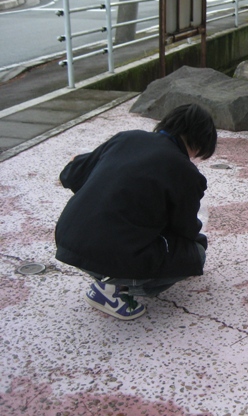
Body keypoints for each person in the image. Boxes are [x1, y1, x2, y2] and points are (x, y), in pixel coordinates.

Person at [55, 104, 217, 321]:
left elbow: (70, 175)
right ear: (199, 143)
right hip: (108, 252)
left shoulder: (125, 138)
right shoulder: (185, 171)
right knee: (196, 254)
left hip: (68, 238)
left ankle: (109, 277)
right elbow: (184, 228)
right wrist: (197, 244)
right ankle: (114, 289)